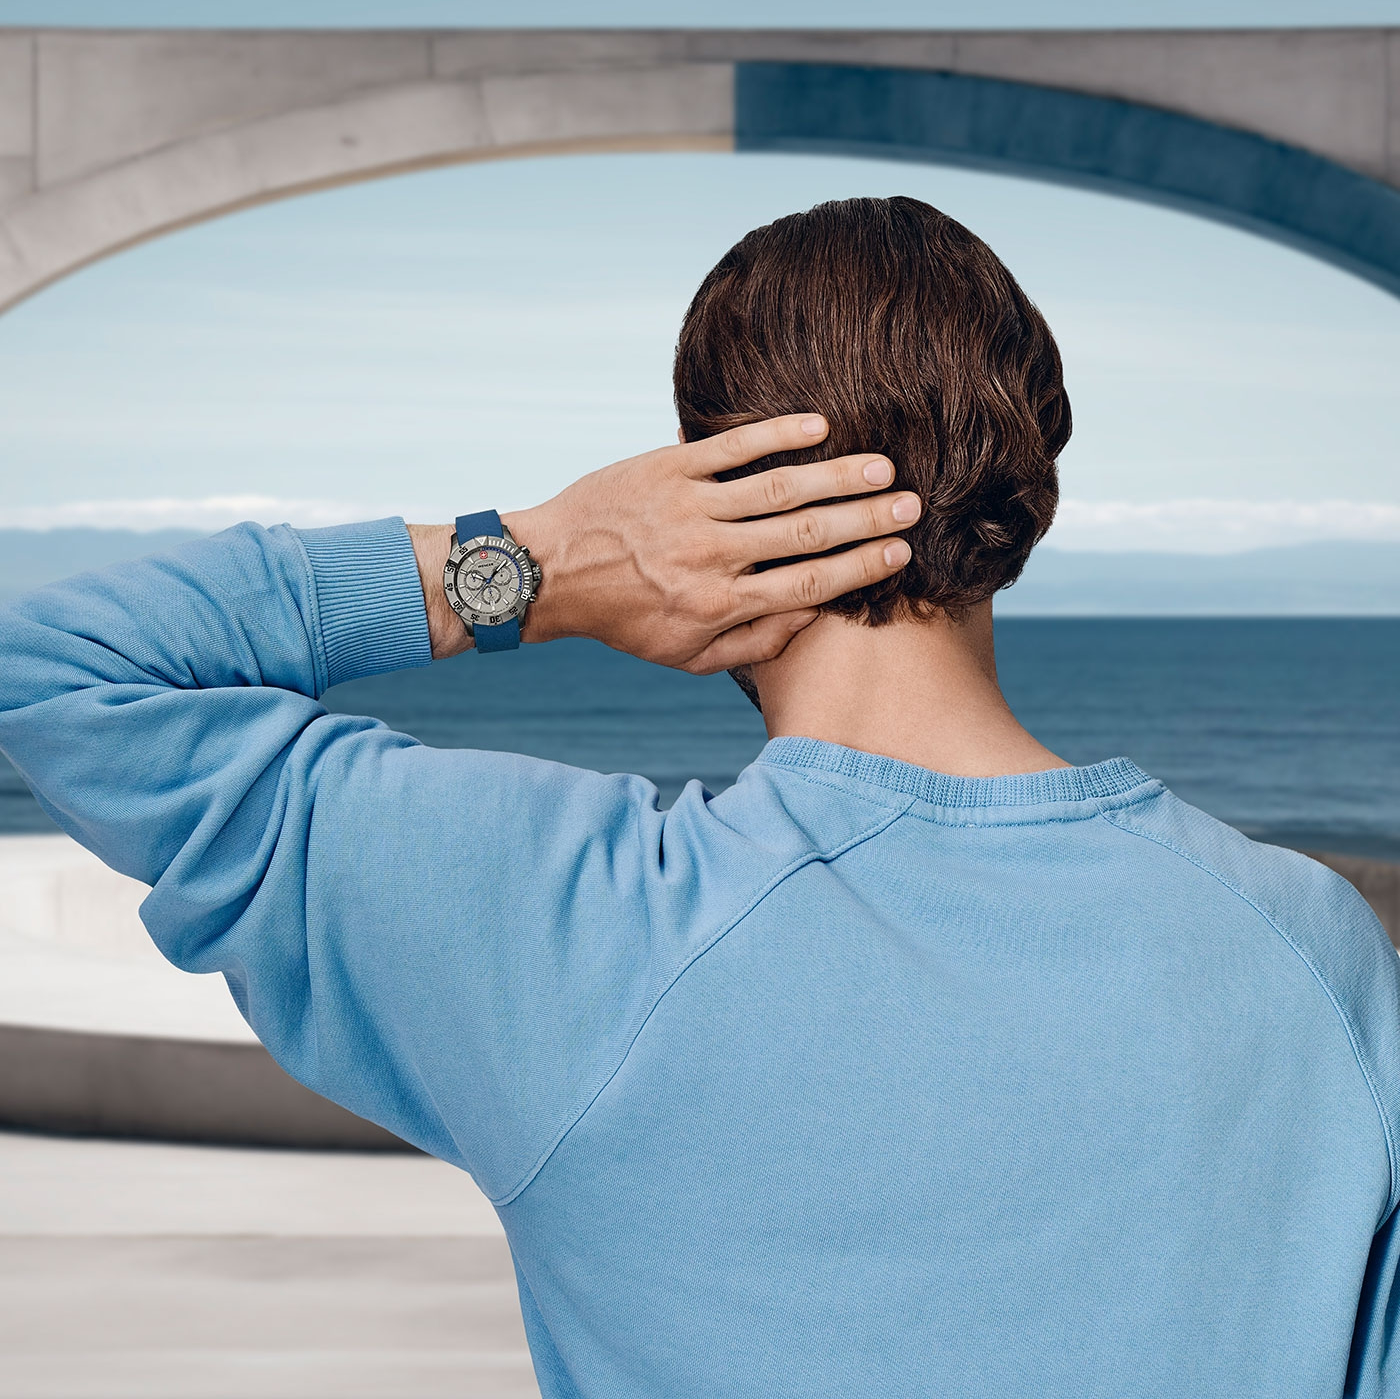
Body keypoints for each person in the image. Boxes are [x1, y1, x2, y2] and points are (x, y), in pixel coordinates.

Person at [1, 194, 1396, 1398]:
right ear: (1029, 479)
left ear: (703, 479)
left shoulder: (577, 929)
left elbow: (52, 671)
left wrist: (535, 561)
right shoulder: (1313, 956)